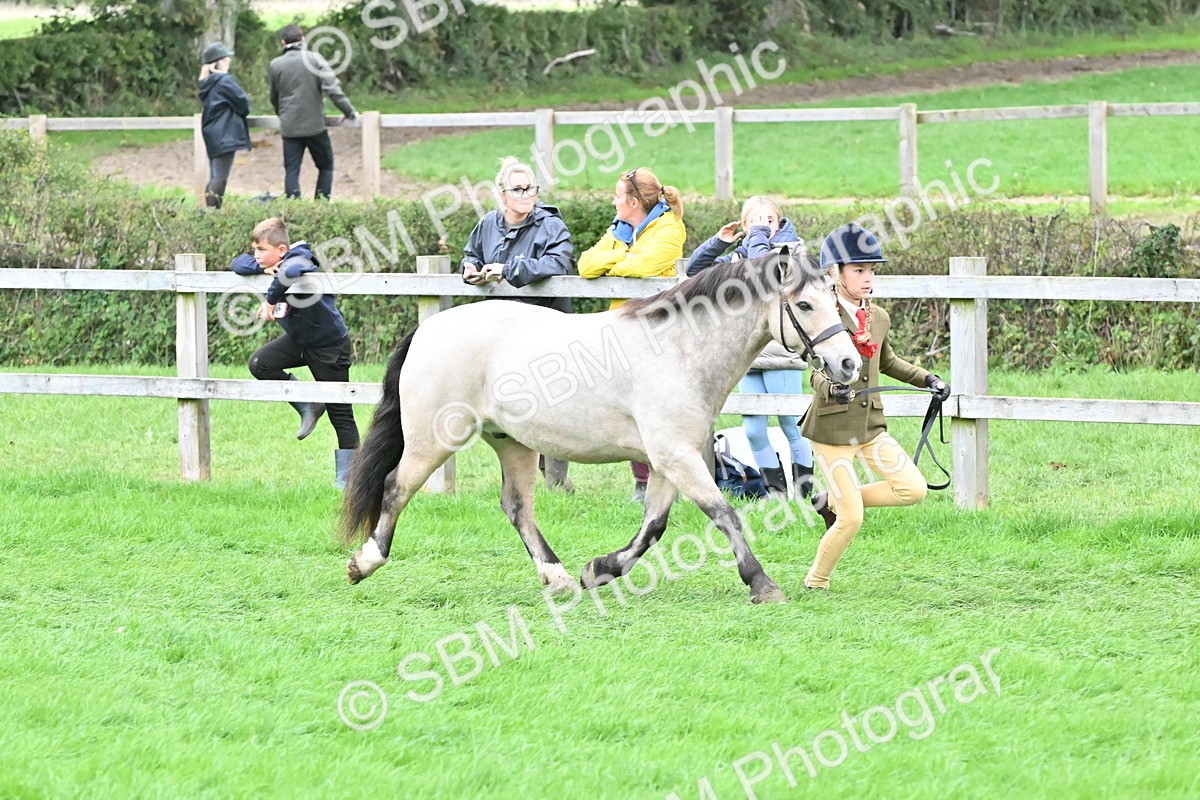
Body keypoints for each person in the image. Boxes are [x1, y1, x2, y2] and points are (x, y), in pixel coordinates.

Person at [800, 223, 950, 590]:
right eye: (859, 271)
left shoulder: (878, 317)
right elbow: (815, 372)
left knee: (912, 489)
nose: (868, 279)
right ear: (834, 274)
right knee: (851, 519)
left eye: (872, 271)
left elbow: (888, 362)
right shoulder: (822, 316)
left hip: (870, 428)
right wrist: (833, 389)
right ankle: (816, 582)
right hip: (831, 431)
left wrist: (927, 379)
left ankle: (831, 500)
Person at [685, 195, 815, 499]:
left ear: (780, 223)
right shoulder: (736, 258)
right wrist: (719, 242)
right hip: (747, 355)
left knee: (790, 424)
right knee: (755, 431)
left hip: (781, 356)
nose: (763, 227)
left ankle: (805, 493)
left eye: (768, 221)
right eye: (755, 222)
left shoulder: (792, 252)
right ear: (743, 225)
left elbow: (763, 272)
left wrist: (757, 236)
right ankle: (778, 494)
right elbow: (696, 272)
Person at [462, 156, 576, 492]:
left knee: (552, 401)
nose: (526, 195)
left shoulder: (551, 225)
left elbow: (559, 261)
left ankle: (557, 482)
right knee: (511, 402)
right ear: (502, 193)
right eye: (518, 189)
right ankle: (515, 481)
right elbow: (471, 254)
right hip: (500, 332)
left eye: (531, 188)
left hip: (545, 325)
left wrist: (509, 270)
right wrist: (470, 269)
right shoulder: (487, 224)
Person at [579, 166, 686, 502]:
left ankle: (667, 481)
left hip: (657, 333)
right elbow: (585, 265)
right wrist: (622, 254)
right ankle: (642, 483)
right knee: (627, 408)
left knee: (657, 410)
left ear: (635, 201)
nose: (613, 202)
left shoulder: (669, 229)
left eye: (618, 196)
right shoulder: (621, 231)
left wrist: (616, 261)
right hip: (622, 330)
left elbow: (643, 267)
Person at [230, 217, 360, 488]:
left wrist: (270, 299)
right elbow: (237, 264)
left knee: (340, 412)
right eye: (255, 249)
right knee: (259, 363)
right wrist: (262, 266)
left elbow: (293, 269)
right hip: (299, 341)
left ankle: (350, 480)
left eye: (261, 250)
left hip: (329, 346)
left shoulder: (301, 258)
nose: (256, 255)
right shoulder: (273, 261)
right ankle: (308, 404)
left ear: (281, 250)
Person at [268, 24, 358, 200]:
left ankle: (294, 209)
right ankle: (321, 206)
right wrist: (350, 112)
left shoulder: (275, 65)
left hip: (289, 127)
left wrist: (283, 115)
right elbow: (333, 90)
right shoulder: (315, 59)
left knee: (292, 170)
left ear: (283, 42)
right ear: (303, 39)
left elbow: (274, 96)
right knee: (326, 166)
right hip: (315, 126)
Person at [197, 42, 251, 209]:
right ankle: (213, 212)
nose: (228, 61)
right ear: (218, 62)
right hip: (225, 133)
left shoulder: (207, 82)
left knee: (215, 174)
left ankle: (211, 211)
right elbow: (243, 103)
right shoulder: (224, 81)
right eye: (226, 59)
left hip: (212, 132)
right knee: (220, 177)